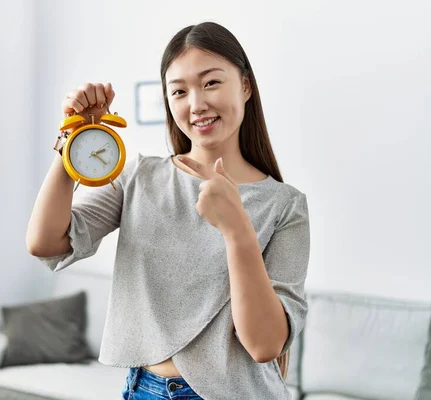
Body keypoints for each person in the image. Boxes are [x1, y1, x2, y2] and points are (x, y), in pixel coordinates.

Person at [26, 21, 310, 400]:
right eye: (179, 91)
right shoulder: (139, 177)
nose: (196, 104)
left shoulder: (285, 205)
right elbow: (46, 242)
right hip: (143, 390)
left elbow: (264, 345)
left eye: (211, 82)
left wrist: (237, 229)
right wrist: (74, 138)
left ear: (245, 85)